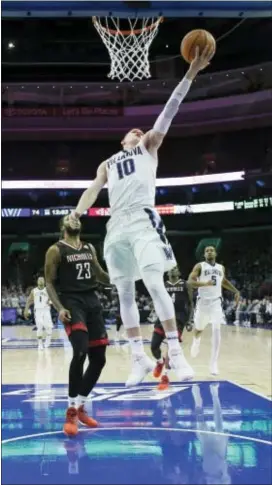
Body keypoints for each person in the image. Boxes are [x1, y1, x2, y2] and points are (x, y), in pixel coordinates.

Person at [69, 46, 213, 386]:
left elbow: (170, 110)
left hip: (144, 219)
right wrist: (75, 213)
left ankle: (175, 354)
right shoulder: (108, 163)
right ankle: (138, 358)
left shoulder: (149, 146)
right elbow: (92, 189)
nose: (137, 131)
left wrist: (190, 72)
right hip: (115, 225)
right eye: (131, 131)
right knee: (124, 293)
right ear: (122, 140)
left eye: (139, 130)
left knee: (153, 283)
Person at [44, 215, 110, 436]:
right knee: (80, 350)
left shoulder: (89, 247)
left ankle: (80, 406)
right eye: (69, 216)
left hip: (92, 301)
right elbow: (50, 283)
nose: (74, 218)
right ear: (63, 226)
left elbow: (100, 274)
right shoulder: (55, 250)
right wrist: (59, 307)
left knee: (99, 358)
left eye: (76, 215)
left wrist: (122, 279)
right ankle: (71, 411)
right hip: (72, 302)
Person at [188, 246, 240, 375]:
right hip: (202, 302)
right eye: (207, 251)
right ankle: (196, 341)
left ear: (216, 253)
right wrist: (204, 284)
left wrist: (236, 291)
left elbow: (223, 281)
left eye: (211, 250)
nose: (209, 252)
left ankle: (213, 363)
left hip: (216, 302)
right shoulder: (200, 266)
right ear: (204, 255)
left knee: (217, 330)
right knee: (199, 329)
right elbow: (190, 282)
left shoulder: (220, 268)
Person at [151, 266, 194, 390]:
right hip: (163, 317)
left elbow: (191, 303)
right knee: (154, 346)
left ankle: (165, 377)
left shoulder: (185, 284)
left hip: (178, 319)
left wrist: (190, 320)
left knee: (171, 347)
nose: (172, 270)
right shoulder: (163, 284)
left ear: (179, 272)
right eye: (170, 268)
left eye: (175, 268)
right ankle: (160, 362)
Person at [24, 276, 53, 350]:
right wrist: (26, 309)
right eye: (39, 280)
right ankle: (40, 344)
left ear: (44, 281)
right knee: (39, 327)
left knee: (49, 327)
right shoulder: (34, 291)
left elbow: (52, 299)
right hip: (38, 311)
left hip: (46, 310)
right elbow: (29, 300)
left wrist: (50, 302)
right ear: (37, 282)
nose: (40, 281)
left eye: (42, 280)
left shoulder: (48, 290)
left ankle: (48, 341)